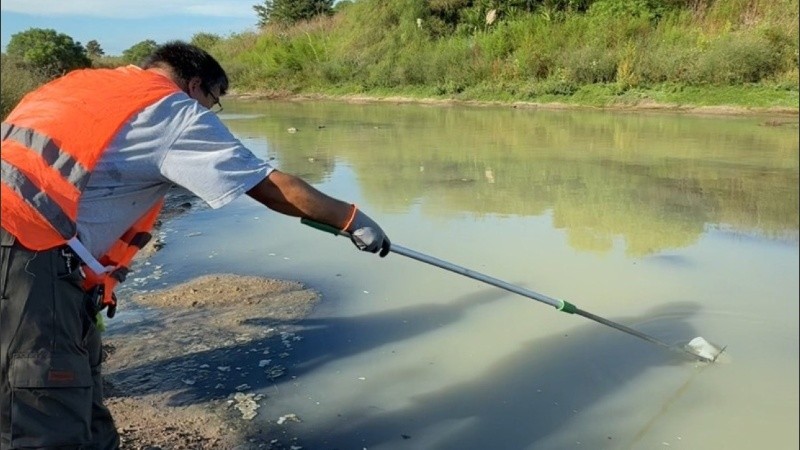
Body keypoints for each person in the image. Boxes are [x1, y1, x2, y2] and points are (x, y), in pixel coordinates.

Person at [0, 41, 390, 449]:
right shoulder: (171, 111)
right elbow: (267, 186)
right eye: (214, 101)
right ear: (195, 84)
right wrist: (351, 219)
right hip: (26, 254)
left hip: (36, 254)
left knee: (75, 399)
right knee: (43, 412)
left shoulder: (81, 84)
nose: (209, 112)